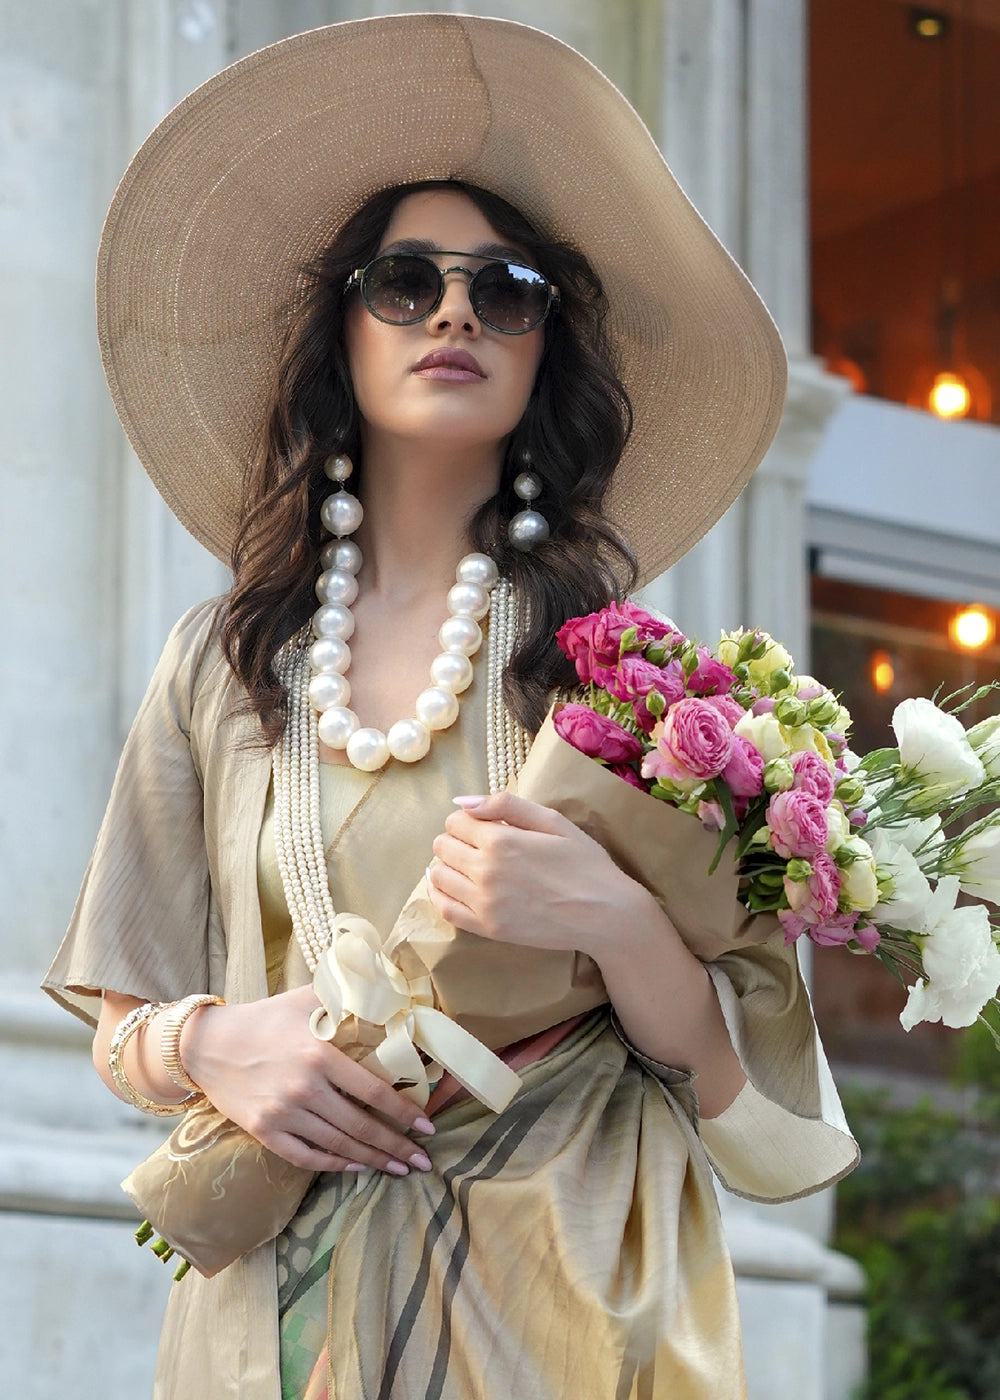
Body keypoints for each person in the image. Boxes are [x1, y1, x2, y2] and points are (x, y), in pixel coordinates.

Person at [43, 15, 858, 1400]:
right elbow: (123, 1009)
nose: (457, 315)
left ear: (549, 349)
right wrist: (218, 1045)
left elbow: (748, 1097)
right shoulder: (223, 663)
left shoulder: (633, 682)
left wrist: (613, 921)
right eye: (404, 283)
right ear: (339, 338)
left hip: (570, 1304)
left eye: (511, 288)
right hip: (281, 1322)